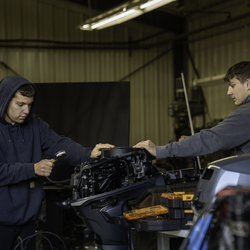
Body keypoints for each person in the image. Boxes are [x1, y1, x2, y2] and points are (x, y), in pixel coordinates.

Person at [0, 75, 114, 250]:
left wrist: (88, 153)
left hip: (29, 221)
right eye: (20, 104)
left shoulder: (35, 125)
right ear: (5, 100)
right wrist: (33, 169)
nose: (26, 111)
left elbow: (59, 144)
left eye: (29, 105)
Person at [134, 61, 250, 159]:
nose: (228, 92)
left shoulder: (246, 114)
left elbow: (212, 139)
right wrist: (190, 142)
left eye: (232, 85)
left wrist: (160, 150)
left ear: (248, 84)